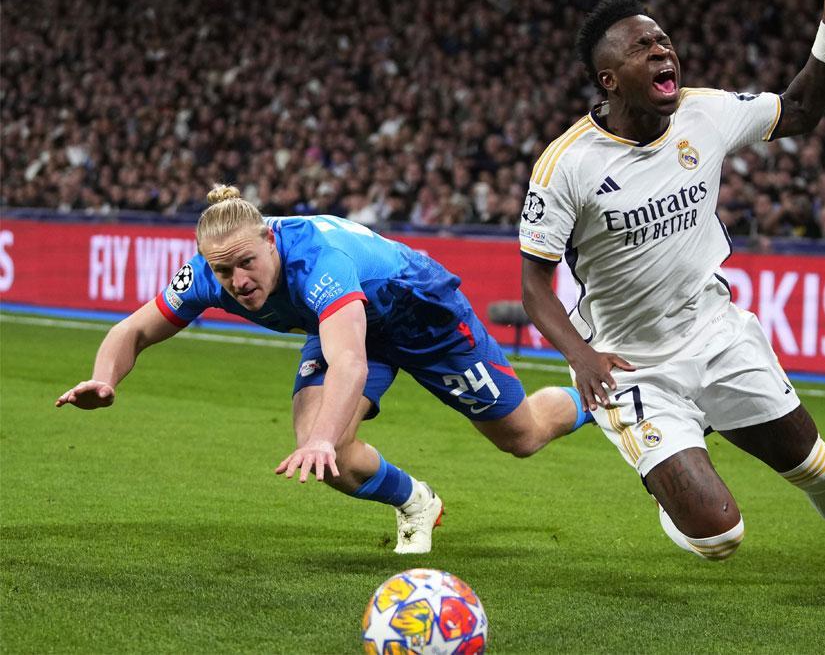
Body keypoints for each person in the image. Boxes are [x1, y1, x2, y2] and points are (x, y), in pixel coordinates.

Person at [519, 0, 825, 589]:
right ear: (609, 80)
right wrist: (582, 356)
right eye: (642, 48)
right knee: (719, 536)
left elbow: (800, 111)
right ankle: (670, 482)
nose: (661, 52)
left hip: (718, 334)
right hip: (632, 366)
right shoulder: (566, 165)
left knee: (816, 466)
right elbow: (534, 287)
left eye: (664, 41)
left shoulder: (707, 112)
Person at [57, 185, 591, 554]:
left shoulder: (318, 261)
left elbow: (350, 363)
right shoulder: (207, 273)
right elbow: (133, 331)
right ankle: (416, 502)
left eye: (247, 263)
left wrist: (322, 436)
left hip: (421, 313)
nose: (238, 281)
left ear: (271, 239)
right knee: (325, 451)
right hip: (347, 324)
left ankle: (594, 399)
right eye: (224, 271)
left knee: (521, 436)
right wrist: (106, 378)